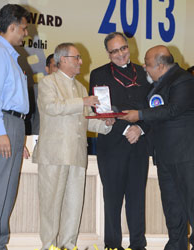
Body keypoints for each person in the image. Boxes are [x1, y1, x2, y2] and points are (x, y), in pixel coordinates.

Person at [32, 43, 114, 250]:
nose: (81, 61)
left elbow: (86, 119)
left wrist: (104, 123)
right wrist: (83, 101)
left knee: (73, 204)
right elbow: (51, 108)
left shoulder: (80, 87)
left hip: (77, 153)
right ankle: (49, 246)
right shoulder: (48, 83)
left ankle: (68, 245)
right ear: (63, 60)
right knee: (50, 205)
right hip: (54, 154)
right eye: (77, 57)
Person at [120, 45, 194, 250]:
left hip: (186, 156)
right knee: (172, 208)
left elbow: (173, 109)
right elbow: (157, 115)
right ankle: (176, 246)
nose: (144, 66)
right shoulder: (158, 83)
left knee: (191, 205)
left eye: (147, 63)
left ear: (161, 66)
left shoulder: (184, 80)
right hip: (165, 156)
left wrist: (140, 115)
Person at [89, 32, 151, 250]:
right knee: (112, 200)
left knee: (137, 199)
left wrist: (140, 128)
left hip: (140, 144)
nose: (121, 54)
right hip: (112, 144)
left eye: (123, 48)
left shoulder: (145, 73)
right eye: (115, 51)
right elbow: (100, 112)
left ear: (129, 47)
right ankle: (112, 245)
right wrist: (126, 128)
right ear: (108, 53)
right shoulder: (98, 74)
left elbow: (155, 108)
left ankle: (138, 245)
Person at [0, 4, 30, 249]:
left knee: (7, 187)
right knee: (1, 186)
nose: (26, 33)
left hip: (13, 125)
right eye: (24, 28)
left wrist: (18, 139)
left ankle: (0, 241)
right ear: (13, 26)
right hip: (5, 123)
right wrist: (1, 133)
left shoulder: (8, 55)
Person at [31, 53, 58, 135]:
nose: (58, 70)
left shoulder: (70, 89)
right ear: (47, 69)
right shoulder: (36, 89)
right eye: (55, 66)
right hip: (39, 137)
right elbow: (30, 117)